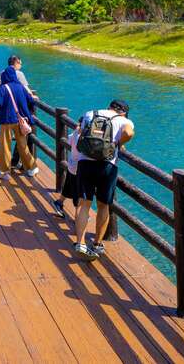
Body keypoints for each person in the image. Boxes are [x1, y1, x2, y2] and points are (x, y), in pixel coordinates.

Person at [69, 100, 134, 260]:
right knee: (103, 205)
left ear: (109, 107)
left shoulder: (91, 113)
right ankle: (97, 244)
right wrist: (118, 143)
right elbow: (129, 133)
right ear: (123, 112)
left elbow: (80, 131)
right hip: (107, 165)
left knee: (85, 204)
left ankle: (80, 243)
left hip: (85, 161)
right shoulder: (124, 120)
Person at [0, 65, 39, 179]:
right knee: (23, 145)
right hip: (20, 120)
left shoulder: (3, 88)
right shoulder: (20, 87)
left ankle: (4, 172)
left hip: (7, 120)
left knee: (5, 146)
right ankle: (32, 167)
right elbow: (30, 99)